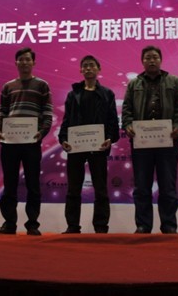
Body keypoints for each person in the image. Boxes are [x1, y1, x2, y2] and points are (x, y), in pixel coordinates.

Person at [122, 45, 178, 234]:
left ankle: (169, 225)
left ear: (160, 60)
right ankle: (143, 225)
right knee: (142, 187)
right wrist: (128, 125)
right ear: (142, 61)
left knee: (168, 187)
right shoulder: (134, 84)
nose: (151, 60)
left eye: (155, 57)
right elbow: (126, 110)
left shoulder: (173, 81)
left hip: (167, 142)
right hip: (141, 144)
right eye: (148, 58)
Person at [0, 47, 53, 236]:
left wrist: (42, 132)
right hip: (9, 142)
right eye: (21, 59)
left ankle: (32, 224)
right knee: (9, 183)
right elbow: (2, 111)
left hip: (31, 142)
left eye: (28, 59)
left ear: (33, 62)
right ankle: (9, 223)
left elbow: (47, 113)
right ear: (16, 63)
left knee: (33, 184)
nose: (24, 62)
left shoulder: (42, 85)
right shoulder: (8, 86)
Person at [58, 55, 120, 234]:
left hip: (98, 147)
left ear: (98, 69)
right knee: (73, 189)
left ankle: (101, 227)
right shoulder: (73, 94)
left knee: (100, 189)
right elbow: (66, 120)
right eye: (85, 66)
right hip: (76, 147)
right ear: (80, 70)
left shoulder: (107, 94)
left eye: (92, 65)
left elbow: (112, 120)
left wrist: (110, 138)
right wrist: (63, 139)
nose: (88, 68)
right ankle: (72, 226)